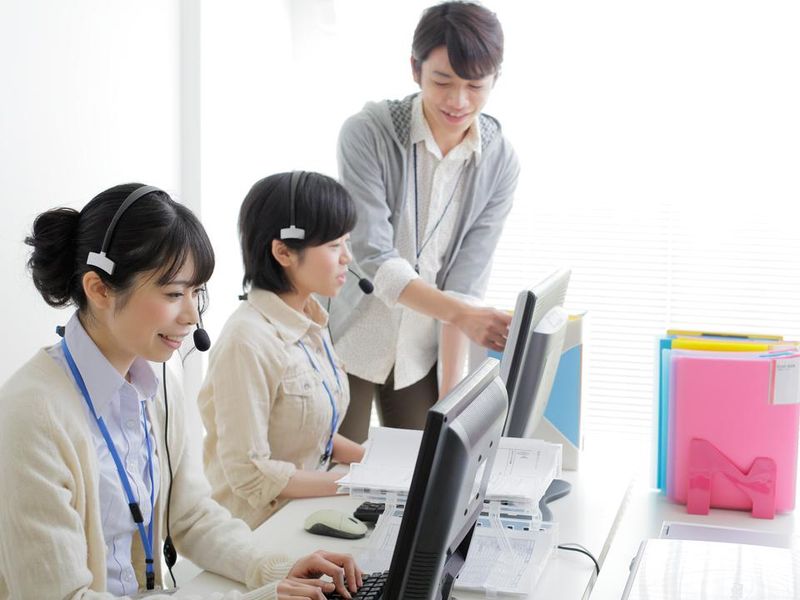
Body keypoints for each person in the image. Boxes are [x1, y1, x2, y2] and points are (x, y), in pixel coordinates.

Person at [0, 183, 362, 599]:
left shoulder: (155, 385)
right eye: (174, 293)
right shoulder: (32, 416)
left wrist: (271, 568)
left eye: (196, 292)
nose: (192, 316)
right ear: (99, 289)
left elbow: (191, 516)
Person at [331, 1, 520, 442]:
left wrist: (452, 400)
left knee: (425, 463)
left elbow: (465, 282)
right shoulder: (368, 132)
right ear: (415, 70)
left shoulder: (500, 161)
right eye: (442, 81)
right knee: (340, 469)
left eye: (475, 85)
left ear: (495, 79)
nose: (458, 101)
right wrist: (465, 315)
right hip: (352, 335)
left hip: (421, 349)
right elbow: (374, 256)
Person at [198, 172, 365, 529]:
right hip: (258, 531)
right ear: (283, 252)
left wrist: (377, 464)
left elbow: (312, 432)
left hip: (305, 512)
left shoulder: (311, 322)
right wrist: (356, 483)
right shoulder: (247, 341)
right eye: (334, 245)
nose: (347, 258)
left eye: (346, 242)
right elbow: (250, 473)